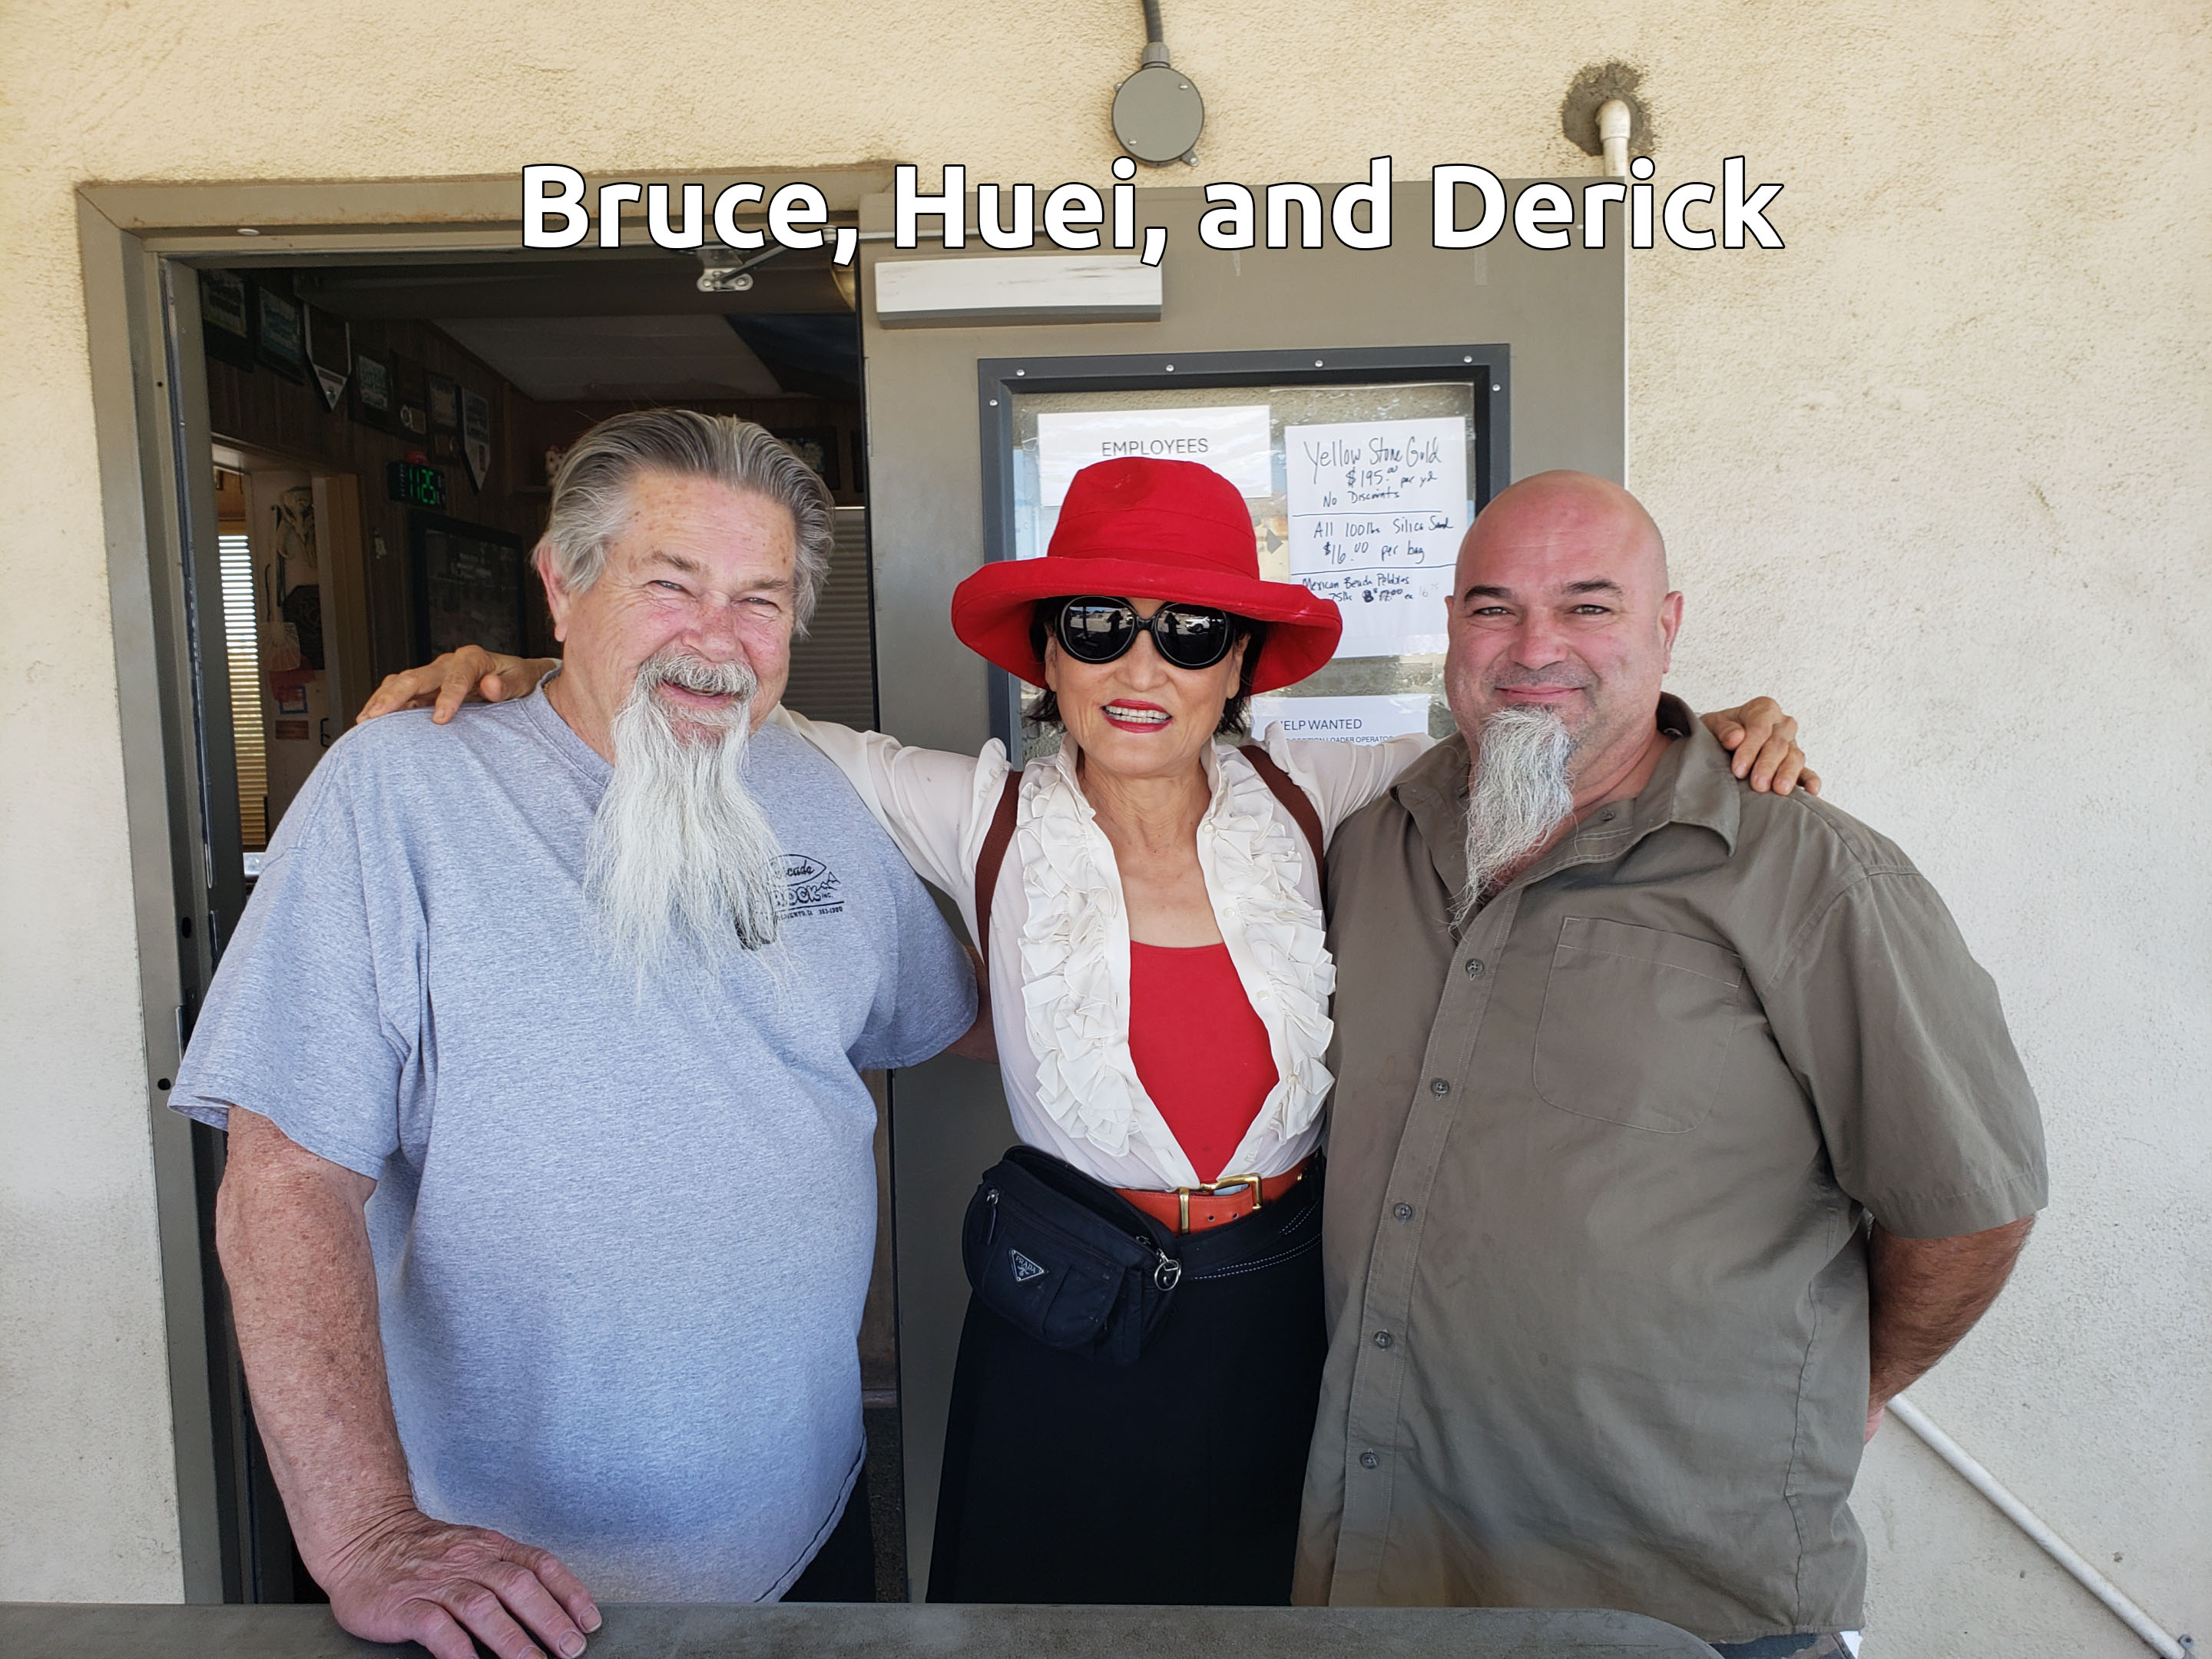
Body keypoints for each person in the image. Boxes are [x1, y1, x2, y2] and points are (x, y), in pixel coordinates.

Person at [369, 455, 1818, 1607]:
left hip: (1279, 1303)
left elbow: (1541, 723)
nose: (1143, 665)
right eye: (1098, 627)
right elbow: (735, 704)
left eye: (1191, 632)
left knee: (1266, 1605)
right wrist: (521, 672)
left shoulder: (1323, 791)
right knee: (1046, 1615)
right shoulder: (982, 812)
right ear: (1047, 661)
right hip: (1072, 1312)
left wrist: (1710, 721)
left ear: (1238, 666)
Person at [171, 411, 980, 1658]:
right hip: (492, 1579)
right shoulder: (399, 790)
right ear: (562, 582)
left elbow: (942, 1021)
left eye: (760, 600)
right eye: (673, 585)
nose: (719, 640)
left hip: (805, 1525)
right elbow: (285, 1186)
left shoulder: (811, 791)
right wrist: (368, 1535)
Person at [1296, 470, 2046, 1657]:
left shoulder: (1809, 875)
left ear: (1667, 626)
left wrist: (1860, 1386)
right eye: (1493, 607)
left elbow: (1969, 1203)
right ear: (1449, 628)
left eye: (1589, 606)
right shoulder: (1369, 842)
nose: (1535, 646)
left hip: (1693, 1604)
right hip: (1398, 1583)